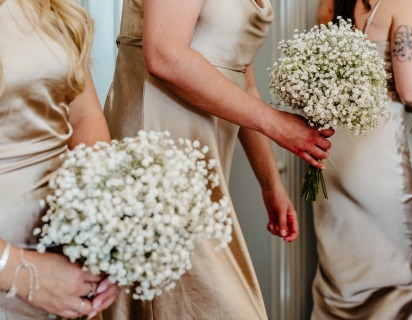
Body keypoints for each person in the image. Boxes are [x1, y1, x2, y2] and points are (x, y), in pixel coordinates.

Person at [101, 0, 334, 319]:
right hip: (159, 153)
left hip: (205, 165)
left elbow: (243, 80)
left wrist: (270, 183)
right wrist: (279, 124)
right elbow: (164, 55)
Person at [311, 0, 412, 319]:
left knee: (340, 282)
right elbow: (411, 91)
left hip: (331, 151)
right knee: (400, 280)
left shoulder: (329, 4)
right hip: (378, 157)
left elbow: (316, 80)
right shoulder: (404, 2)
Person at [0, 0, 120, 319]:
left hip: (63, 257)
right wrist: (15, 270)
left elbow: (83, 116)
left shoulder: (52, 6)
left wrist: (109, 231)